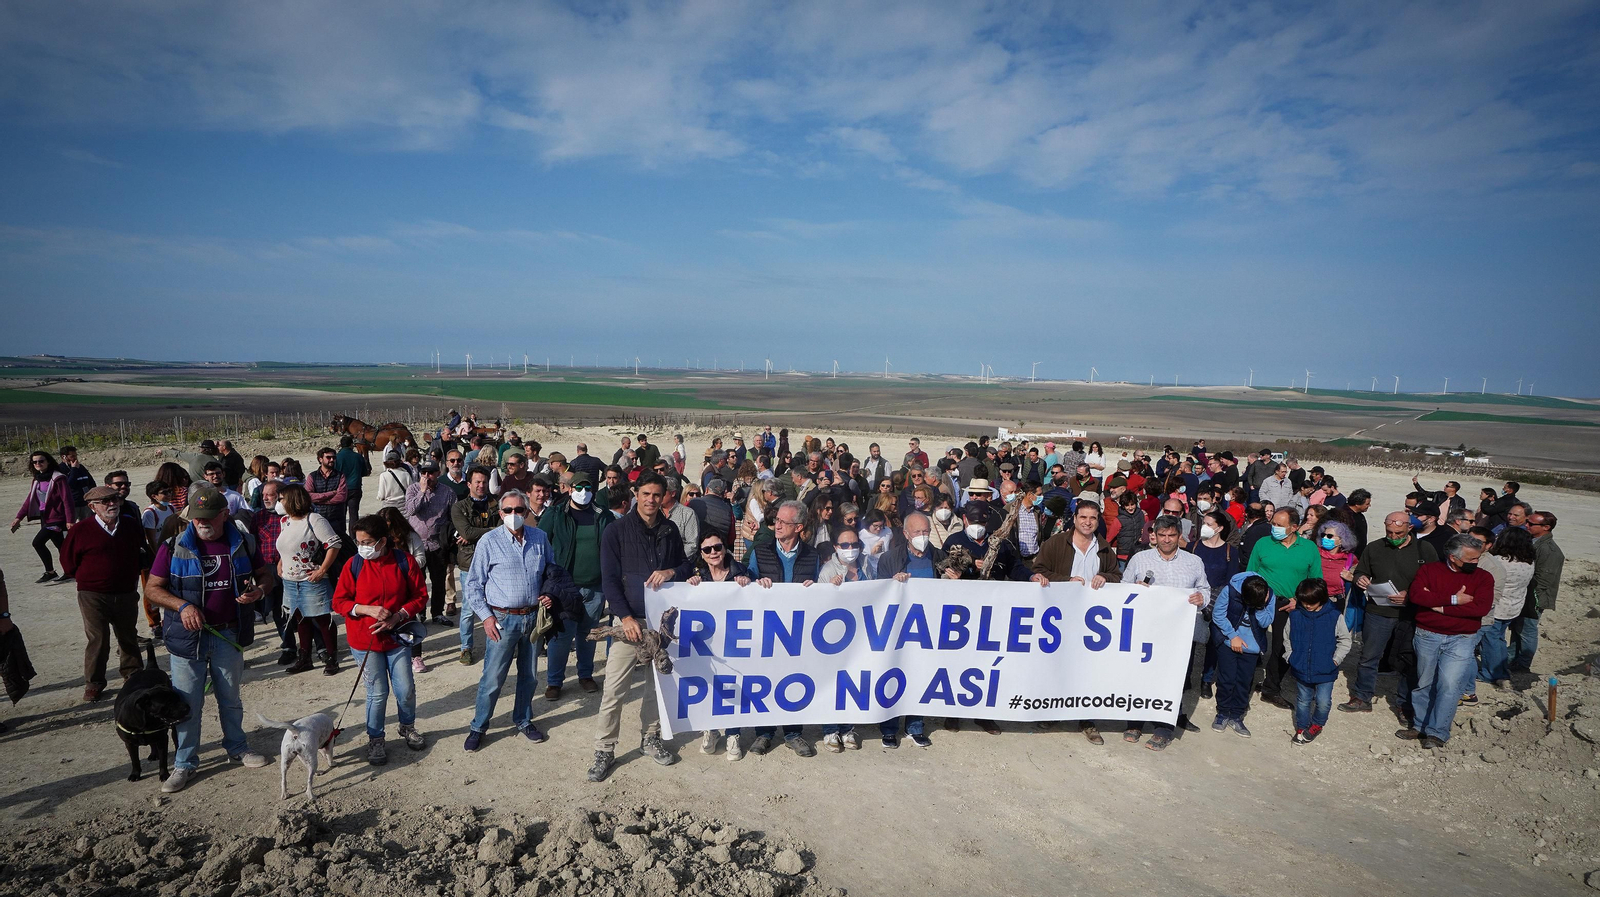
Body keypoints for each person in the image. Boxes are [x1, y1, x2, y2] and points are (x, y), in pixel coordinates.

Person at [143, 488, 275, 792]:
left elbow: (265, 575)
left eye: (208, 517)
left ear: (224, 514)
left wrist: (259, 591)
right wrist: (182, 606)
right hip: (187, 639)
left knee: (230, 698)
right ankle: (185, 763)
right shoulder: (173, 546)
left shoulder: (244, 542)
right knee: (187, 704)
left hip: (228, 634)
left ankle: (237, 747)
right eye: (197, 517)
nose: (202, 522)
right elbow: (152, 589)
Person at [462, 489, 579, 751]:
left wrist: (549, 594)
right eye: (508, 510)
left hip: (533, 618)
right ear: (500, 513)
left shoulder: (539, 537)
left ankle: (523, 719)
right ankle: (478, 726)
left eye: (518, 510)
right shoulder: (489, 542)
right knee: (493, 678)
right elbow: (473, 585)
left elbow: (551, 573)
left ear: (526, 512)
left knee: (529, 676)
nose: (513, 514)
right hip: (502, 620)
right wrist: (487, 618)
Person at [588, 475, 685, 782]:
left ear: (664, 496)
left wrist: (670, 570)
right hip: (628, 623)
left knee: (656, 687)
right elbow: (609, 580)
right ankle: (605, 749)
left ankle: (650, 738)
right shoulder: (616, 531)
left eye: (656, 495)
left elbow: (686, 565)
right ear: (636, 494)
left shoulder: (670, 530)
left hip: (660, 623)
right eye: (645, 494)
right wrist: (625, 617)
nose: (651, 500)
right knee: (615, 689)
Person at [332, 514, 429, 764]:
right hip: (365, 641)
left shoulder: (404, 561)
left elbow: (420, 596)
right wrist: (366, 609)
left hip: (398, 638)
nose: (362, 547)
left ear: (383, 541)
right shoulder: (353, 565)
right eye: (358, 542)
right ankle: (375, 739)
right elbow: (339, 602)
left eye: (367, 542)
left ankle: (407, 727)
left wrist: (399, 615)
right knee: (377, 693)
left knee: (405, 689)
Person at [1120, 515, 1210, 750]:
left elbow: (1204, 588)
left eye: (1172, 535)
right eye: (1162, 535)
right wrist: (1133, 589)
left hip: (1178, 634)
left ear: (1180, 535)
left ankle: (1164, 727)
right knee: (1140, 674)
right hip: (1145, 630)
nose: (1167, 540)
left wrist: (1201, 598)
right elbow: (1123, 587)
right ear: (1154, 535)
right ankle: (1135, 722)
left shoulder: (1194, 561)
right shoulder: (1140, 559)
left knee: (1172, 678)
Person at [1400, 534, 1493, 749]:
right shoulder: (1429, 570)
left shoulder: (1484, 578)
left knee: (1449, 685)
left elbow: (1480, 608)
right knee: (1424, 682)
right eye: (1470, 559)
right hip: (1427, 635)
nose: (1475, 562)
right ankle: (1420, 725)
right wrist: (1454, 599)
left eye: (1477, 558)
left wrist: (1439, 606)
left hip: (1461, 638)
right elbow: (1417, 596)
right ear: (1453, 557)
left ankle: (1437, 732)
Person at [59, 485, 150, 701]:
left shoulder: (130, 524)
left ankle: (133, 674)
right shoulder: (80, 530)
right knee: (98, 638)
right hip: (93, 594)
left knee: (128, 635)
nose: (112, 504)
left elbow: (141, 551)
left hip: (126, 591)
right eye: (105, 501)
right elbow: (68, 562)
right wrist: (90, 578)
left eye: (114, 500)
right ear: (92, 507)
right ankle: (94, 683)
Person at [679, 530, 754, 758]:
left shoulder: (741, 572)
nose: (713, 552)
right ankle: (711, 730)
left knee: (734, 685)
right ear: (701, 554)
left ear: (725, 548)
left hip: (734, 643)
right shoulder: (698, 577)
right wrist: (689, 586)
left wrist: (748, 584)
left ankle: (733, 733)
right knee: (709, 686)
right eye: (707, 549)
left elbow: (757, 600)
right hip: (707, 646)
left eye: (717, 547)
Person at [539, 472, 612, 700]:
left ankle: (585, 675)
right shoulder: (556, 514)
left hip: (595, 587)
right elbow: (540, 544)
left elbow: (614, 545)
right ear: (569, 489)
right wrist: (545, 582)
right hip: (564, 587)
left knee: (588, 634)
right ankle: (554, 681)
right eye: (579, 488)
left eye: (588, 488)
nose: (583, 492)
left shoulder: (603, 515)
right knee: (561, 635)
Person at [1246, 508, 1321, 709]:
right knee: (1251, 644)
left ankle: (1271, 688)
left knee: (1283, 647)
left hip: (1290, 605)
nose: (1274, 528)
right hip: (1262, 601)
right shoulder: (1263, 543)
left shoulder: (1309, 548)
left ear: (1294, 527)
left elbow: (1315, 581)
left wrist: (1299, 600)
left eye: (1280, 525)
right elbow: (1250, 573)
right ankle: (1243, 688)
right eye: (1273, 524)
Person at [274, 482, 342, 675]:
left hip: (312, 580)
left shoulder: (314, 519)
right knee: (300, 619)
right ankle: (305, 658)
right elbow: (286, 545)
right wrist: (280, 563)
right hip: (290, 580)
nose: (278, 503)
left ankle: (331, 658)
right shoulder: (285, 521)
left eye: (281, 499)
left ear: (292, 500)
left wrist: (322, 570)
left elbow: (334, 544)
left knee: (322, 619)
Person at [1283, 578, 1352, 745]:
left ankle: (1317, 725)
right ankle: (1301, 727)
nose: (1307, 605)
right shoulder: (1295, 616)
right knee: (1303, 700)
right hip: (1301, 667)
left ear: (1321, 598)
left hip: (1326, 670)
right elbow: (1287, 638)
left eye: (1311, 602)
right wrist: (1290, 656)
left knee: (1323, 702)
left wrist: (1335, 660)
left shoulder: (1334, 616)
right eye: (1304, 601)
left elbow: (1345, 640)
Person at [1210, 572, 1275, 737]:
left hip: (1251, 647)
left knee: (1244, 682)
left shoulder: (1269, 595)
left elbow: (1266, 622)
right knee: (1226, 679)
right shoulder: (1231, 590)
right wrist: (1233, 636)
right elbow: (1218, 615)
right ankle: (1222, 713)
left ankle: (1236, 715)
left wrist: (1260, 607)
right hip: (1228, 641)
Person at [1472, 526, 1534, 694]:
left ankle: (1491, 673)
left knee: (1490, 641)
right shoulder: (1528, 561)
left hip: (1497, 607)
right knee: (1499, 639)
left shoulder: (1498, 561)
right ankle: (1501, 671)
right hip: (1513, 607)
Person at [451, 468, 499, 662]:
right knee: (469, 608)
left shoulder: (496, 504)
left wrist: (473, 533)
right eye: (477, 482)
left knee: (495, 605)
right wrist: (493, 530)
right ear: (469, 484)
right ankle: (466, 647)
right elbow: (467, 532)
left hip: (493, 561)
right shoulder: (459, 507)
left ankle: (495, 645)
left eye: (484, 482)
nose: (481, 485)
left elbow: (504, 529)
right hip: (469, 562)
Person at [1509, 511, 1564, 675]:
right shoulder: (1533, 542)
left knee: (1527, 630)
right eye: (1527, 522)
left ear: (1546, 527)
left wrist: (1528, 596)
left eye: (1531, 524)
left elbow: (1544, 581)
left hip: (1534, 598)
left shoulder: (1549, 550)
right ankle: (1512, 659)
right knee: (1518, 629)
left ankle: (1523, 664)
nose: (1526, 525)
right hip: (1525, 594)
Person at [403, 459, 454, 629]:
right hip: (416, 545)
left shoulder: (447, 492)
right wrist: (422, 492)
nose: (427, 476)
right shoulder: (413, 489)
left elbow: (452, 517)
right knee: (417, 582)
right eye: (424, 473)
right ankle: (420, 612)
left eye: (431, 473)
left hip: (437, 543)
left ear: (438, 473)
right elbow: (410, 510)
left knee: (438, 581)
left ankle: (437, 612)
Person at [13, 450, 73, 583]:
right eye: (35, 462)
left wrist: (70, 520)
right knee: (61, 545)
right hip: (45, 517)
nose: (38, 464)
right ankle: (68, 571)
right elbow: (30, 499)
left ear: (48, 461)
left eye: (41, 461)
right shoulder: (37, 479)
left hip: (57, 518)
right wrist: (19, 517)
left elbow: (67, 500)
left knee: (38, 542)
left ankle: (52, 572)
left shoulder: (58, 478)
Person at [307, 447, 349, 537]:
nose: (332, 460)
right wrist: (331, 493)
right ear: (320, 459)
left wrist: (320, 500)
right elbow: (308, 496)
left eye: (334, 457)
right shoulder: (312, 476)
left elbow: (341, 497)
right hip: (318, 518)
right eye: (328, 457)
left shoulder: (340, 476)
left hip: (337, 519)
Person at [335, 435, 372, 532]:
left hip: (340, 489)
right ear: (351, 445)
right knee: (354, 514)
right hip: (355, 488)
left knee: (341, 514)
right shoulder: (358, 457)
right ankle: (353, 536)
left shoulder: (336, 458)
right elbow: (364, 472)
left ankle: (342, 535)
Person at [57, 445, 96, 523]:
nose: (75, 458)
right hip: (72, 505)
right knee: (71, 526)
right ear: (64, 457)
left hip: (85, 503)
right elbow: (69, 485)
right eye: (72, 456)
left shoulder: (81, 467)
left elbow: (91, 482)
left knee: (87, 524)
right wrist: (74, 469)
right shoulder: (60, 469)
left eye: (75, 455)